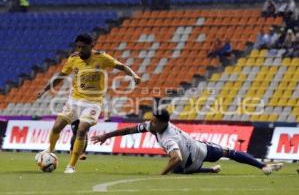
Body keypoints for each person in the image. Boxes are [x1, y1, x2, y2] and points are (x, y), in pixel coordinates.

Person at [37, 33, 141, 173]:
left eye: (83, 47)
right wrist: (44, 90)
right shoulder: (73, 59)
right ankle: (49, 150)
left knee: (82, 129)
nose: (79, 50)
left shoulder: (102, 57)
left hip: (93, 102)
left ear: (91, 46)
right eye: (78, 47)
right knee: (56, 127)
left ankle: (71, 165)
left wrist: (134, 75)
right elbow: (61, 76)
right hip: (74, 101)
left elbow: (121, 66)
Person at [91, 109, 283, 175]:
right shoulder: (154, 126)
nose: (151, 124)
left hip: (191, 157)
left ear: (164, 123)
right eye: (152, 120)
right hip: (200, 148)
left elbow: (176, 158)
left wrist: (161, 174)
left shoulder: (168, 137)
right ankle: (262, 166)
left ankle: (262, 165)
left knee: (177, 166)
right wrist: (106, 136)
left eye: (155, 122)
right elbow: (130, 129)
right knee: (228, 153)